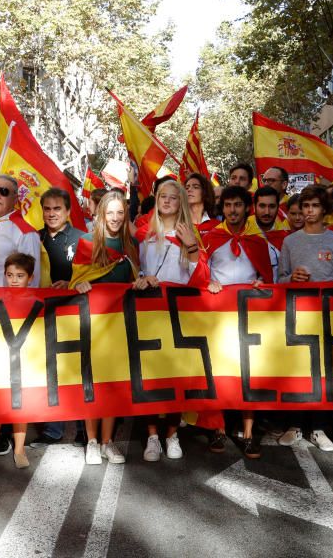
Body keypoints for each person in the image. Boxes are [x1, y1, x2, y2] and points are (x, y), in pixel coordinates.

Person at [137, 179, 208, 462]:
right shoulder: (143, 234)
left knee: (176, 376)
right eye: (162, 197)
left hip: (180, 315)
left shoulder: (190, 234)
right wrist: (141, 279)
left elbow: (200, 278)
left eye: (173, 198)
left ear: (181, 203)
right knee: (150, 376)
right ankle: (153, 436)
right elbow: (134, 270)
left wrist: (191, 247)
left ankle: (171, 434)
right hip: (149, 314)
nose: (166, 201)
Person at [277, 185, 333, 453]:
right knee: (297, 370)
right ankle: (294, 424)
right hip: (296, 314)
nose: (309, 212)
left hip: (327, 315)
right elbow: (280, 278)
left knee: (324, 372)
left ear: (325, 209)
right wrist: (290, 278)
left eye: (315, 206)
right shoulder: (290, 242)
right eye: (305, 206)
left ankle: (318, 427)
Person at [70, 191, 139, 465]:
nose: (114, 218)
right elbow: (75, 281)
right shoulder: (86, 243)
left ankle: (108, 442)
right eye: (110, 212)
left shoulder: (130, 244)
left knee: (113, 385)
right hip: (91, 324)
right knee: (91, 385)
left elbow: (134, 279)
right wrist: (80, 285)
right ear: (100, 214)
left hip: (120, 324)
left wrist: (140, 284)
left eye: (119, 213)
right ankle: (91, 441)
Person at [203, 185, 271, 458]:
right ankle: (217, 428)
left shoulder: (258, 239)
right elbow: (202, 271)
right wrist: (209, 282)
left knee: (248, 372)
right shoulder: (211, 238)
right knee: (217, 371)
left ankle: (249, 433)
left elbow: (267, 275)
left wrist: (261, 281)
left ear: (247, 208)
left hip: (249, 315)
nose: (233, 210)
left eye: (238, 205)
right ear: (223, 208)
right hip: (218, 316)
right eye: (228, 205)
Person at [29, 187, 84, 448]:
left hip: (75, 313)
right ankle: (52, 429)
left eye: (57, 209)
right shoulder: (33, 239)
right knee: (49, 370)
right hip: (42, 315)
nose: (51, 214)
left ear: (68, 211)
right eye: (47, 209)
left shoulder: (83, 238)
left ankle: (85, 428)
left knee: (78, 370)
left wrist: (72, 283)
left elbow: (93, 275)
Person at [0, 252, 38, 471]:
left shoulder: (36, 301)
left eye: (19, 275)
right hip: (1, 359)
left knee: (20, 405)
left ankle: (19, 450)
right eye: (9, 275)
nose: (13, 279)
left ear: (30, 277)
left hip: (25, 359)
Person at [0, 174, 42, 287]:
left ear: (15, 199)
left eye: (4, 191)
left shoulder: (25, 231)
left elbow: (32, 279)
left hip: (5, 302)